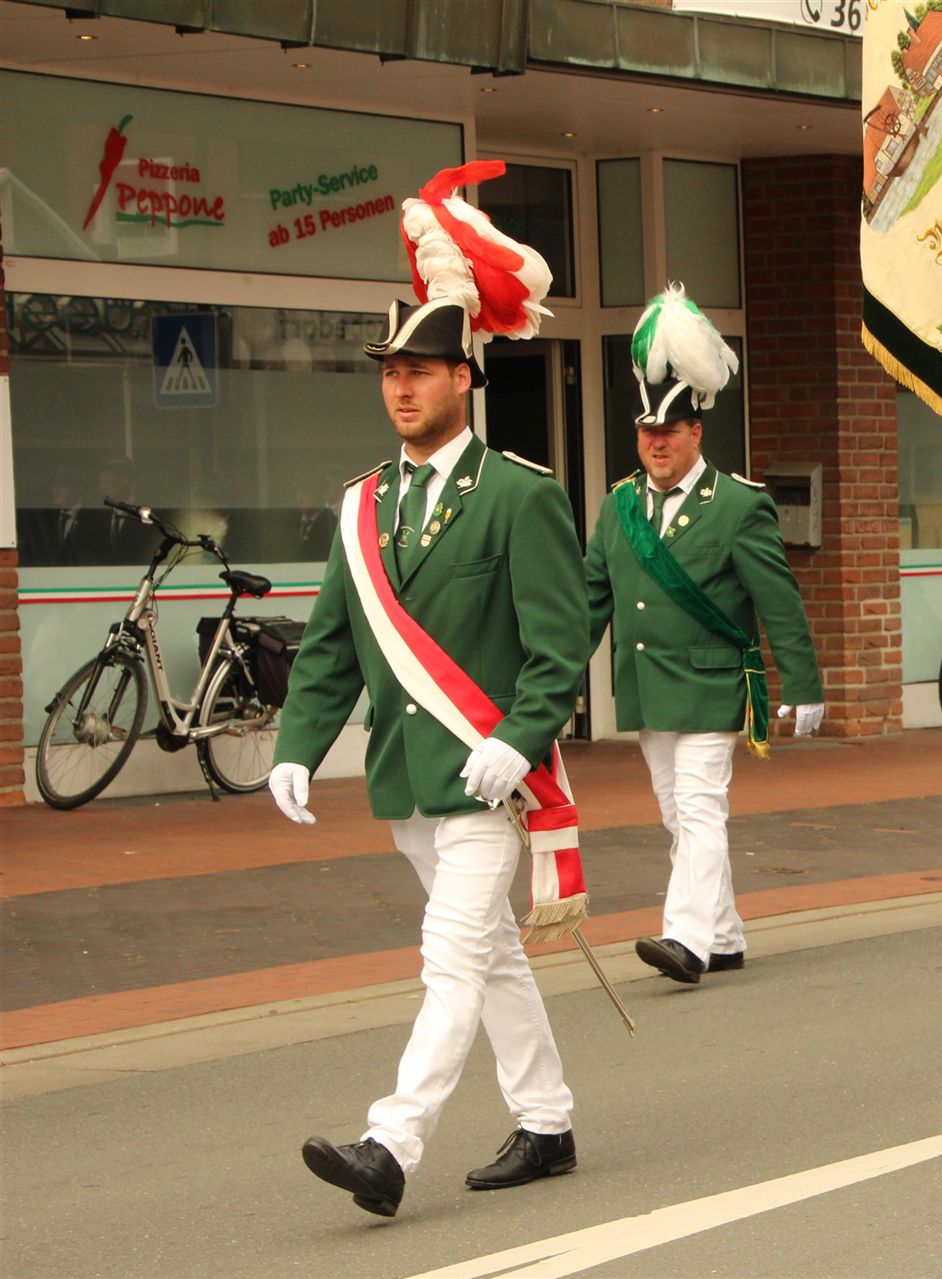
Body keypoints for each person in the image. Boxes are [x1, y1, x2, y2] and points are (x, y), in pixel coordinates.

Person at [268, 164, 587, 1217]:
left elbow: (559, 644)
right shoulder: (362, 506)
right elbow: (332, 645)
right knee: (490, 955)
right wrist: (297, 745)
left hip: (486, 777)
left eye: (421, 371)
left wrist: (522, 737)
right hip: (408, 776)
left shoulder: (518, 497)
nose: (402, 388)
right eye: (391, 373)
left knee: (449, 956)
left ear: (463, 379)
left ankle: (390, 1143)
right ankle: (547, 1118)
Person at [585, 285, 825, 984]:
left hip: (712, 682)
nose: (657, 444)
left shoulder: (738, 506)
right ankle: (723, 934)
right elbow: (588, 603)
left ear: (696, 433)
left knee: (698, 808)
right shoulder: (618, 507)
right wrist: (545, 684)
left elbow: (778, 599)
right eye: (647, 433)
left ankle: (685, 939)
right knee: (680, 817)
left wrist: (804, 683)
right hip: (648, 689)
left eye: (670, 432)